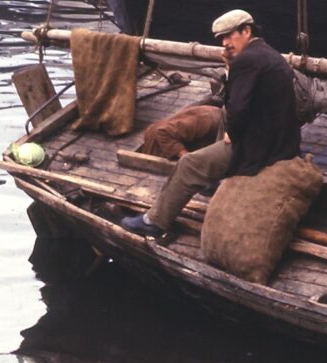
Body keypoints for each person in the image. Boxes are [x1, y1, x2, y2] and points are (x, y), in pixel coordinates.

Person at [122, 9, 300, 238]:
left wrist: (233, 135)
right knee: (223, 113)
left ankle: (155, 222)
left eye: (229, 36)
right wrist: (230, 68)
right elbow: (243, 98)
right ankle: (215, 179)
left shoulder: (248, 60)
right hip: (282, 139)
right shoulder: (267, 53)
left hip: (264, 149)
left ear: (246, 31)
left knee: (188, 166)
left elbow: (238, 107)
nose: (225, 43)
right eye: (221, 39)